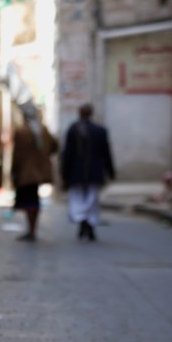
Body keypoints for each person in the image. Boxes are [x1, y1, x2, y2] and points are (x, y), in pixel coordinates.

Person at [61, 103, 115, 241]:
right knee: (92, 198)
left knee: (78, 198)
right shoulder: (100, 130)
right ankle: (89, 223)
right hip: (94, 171)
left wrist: (65, 173)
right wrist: (110, 171)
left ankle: (83, 222)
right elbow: (106, 153)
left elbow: (67, 154)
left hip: (77, 172)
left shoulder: (73, 130)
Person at [10, 102, 58, 241]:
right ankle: (32, 229)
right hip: (39, 170)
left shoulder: (21, 131)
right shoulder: (43, 130)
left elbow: (16, 155)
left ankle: (31, 230)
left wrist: (14, 171)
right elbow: (55, 146)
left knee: (29, 200)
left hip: (26, 171)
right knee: (33, 200)